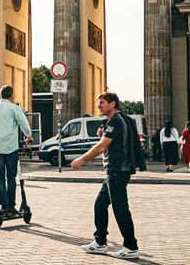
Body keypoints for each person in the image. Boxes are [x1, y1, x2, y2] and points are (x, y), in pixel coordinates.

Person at [72, 92, 140, 260]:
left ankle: (131, 247)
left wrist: (82, 159)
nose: (99, 106)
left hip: (118, 170)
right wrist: (103, 137)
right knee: (100, 205)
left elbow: (102, 147)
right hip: (113, 171)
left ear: (112, 104)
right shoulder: (114, 121)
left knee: (120, 209)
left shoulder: (116, 121)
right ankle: (100, 242)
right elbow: (109, 143)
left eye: (102, 103)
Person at [0, 85, 33, 213]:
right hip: (11, 148)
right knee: (11, 177)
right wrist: (28, 136)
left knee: (0, 178)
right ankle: (11, 205)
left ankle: (4, 205)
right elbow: (23, 123)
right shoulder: (14, 108)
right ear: (11, 95)